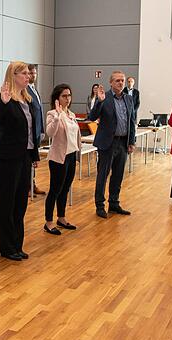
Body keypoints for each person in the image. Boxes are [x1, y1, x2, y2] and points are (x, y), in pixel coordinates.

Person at [0, 61, 40, 261]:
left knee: (21, 203)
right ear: (14, 75)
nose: (28, 76)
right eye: (24, 73)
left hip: (25, 157)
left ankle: (17, 244)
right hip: (8, 158)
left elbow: (31, 131)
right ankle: (7, 247)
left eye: (29, 73)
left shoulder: (27, 99)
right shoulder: (3, 99)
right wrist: (3, 103)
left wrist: (34, 155)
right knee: (7, 203)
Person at [88, 71, 137, 218]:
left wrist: (131, 141)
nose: (121, 83)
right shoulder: (105, 97)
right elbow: (92, 116)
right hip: (107, 143)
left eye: (122, 80)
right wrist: (100, 101)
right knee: (103, 175)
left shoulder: (128, 99)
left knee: (118, 175)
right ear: (111, 82)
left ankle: (114, 203)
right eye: (117, 81)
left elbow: (132, 121)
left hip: (123, 143)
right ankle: (100, 205)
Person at [44, 84, 80, 235]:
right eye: (64, 96)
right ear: (57, 98)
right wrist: (58, 116)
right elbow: (50, 133)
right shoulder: (52, 114)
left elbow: (75, 135)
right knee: (55, 190)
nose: (67, 99)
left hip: (71, 155)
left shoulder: (71, 114)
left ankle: (61, 217)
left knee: (65, 189)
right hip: (58, 157)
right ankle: (48, 222)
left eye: (69, 95)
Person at [27, 63, 46, 195]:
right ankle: (28, 186)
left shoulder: (34, 89)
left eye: (35, 73)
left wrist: (42, 129)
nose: (33, 75)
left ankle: (32, 183)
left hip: (38, 130)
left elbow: (39, 111)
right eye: (31, 73)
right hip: (30, 132)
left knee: (34, 160)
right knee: (29, 160)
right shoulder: (25, 90)